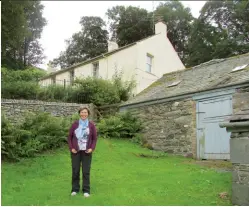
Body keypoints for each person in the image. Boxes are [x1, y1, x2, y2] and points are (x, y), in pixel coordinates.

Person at [68, 106, 97, 197]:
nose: (84, 114)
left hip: (87, 152)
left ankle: (86, 190)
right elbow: (69, 137)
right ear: (79, 113)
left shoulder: (91, 125)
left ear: (88, 114)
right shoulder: (75, 124)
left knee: (86, 171)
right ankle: (75, 189)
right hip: (76, 151)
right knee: (75, 170)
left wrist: (91, 148)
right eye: (82, 112)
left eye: (85, 112)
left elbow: (94, 139)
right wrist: (71, 147)